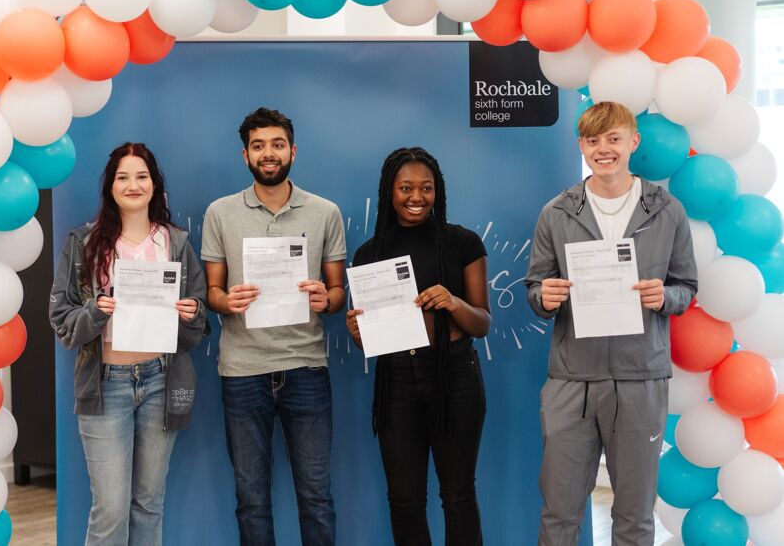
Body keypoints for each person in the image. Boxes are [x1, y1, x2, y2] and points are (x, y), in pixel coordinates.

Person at [525, 101, 698, 546]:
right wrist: (543, 297)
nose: (604, 149)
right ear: (581, 145)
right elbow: (536, 288)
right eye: (593, 140)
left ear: (633, 142)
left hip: (641, 378)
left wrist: (666, 297)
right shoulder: (555, 213)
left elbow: (686, 286)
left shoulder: (668, 210)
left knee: (634, 516)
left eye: (613, 139)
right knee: (559, 513)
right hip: (571, 380)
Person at [49, 142, 209, 546]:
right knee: (110, 509)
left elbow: (198, 322)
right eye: (123, 177)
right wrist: (95, 311)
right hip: (105, 384)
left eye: (141, 176)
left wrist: (192, 313)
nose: (133, 185)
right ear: (110, 186)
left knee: (149, 504)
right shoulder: (83, 242)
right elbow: (62, 320)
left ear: (155, 184)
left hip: (161, 381)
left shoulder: (175, 242)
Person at [201, 107, 346, 546]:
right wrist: (226, 300)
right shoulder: (220, 213)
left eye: (278, 144)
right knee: (251, 500)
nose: (269, 153)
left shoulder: (325, 212)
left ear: (292, 151)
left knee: (316, 497)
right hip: (243, 371)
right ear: (245, 155)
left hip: (306, 367)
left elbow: (337, 293)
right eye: (259, 145)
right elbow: (212, 293)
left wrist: (326, 298)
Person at [346, 147, 491, 546]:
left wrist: (454, 302)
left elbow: (482, 323)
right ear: (389, 191)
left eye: (426, 188)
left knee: (458, 497)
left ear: (437, 191)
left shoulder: (463, 242)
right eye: (405, 188)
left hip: (455, 378)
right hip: (396, 383)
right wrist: (358, 333)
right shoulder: (369, 253)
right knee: (405, 502)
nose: (417, 197)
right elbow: (368, 341)